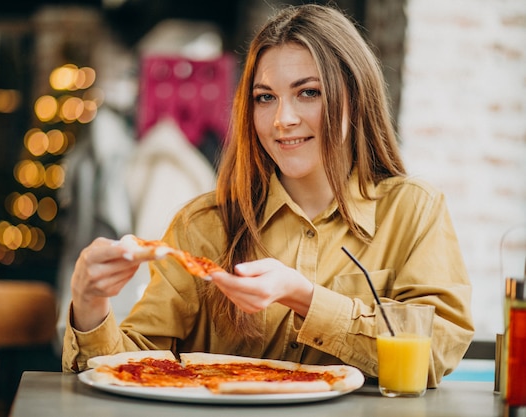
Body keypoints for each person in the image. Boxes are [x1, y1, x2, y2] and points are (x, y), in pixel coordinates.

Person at [63, 4, 474, 387]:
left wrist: (305, 298)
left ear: (355, 96)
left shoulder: (414, 210)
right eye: (266, 98)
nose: (283, 120)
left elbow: (435, 353)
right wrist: (89, 305)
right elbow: (131, 368)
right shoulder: (202, 224)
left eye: (308, 92)